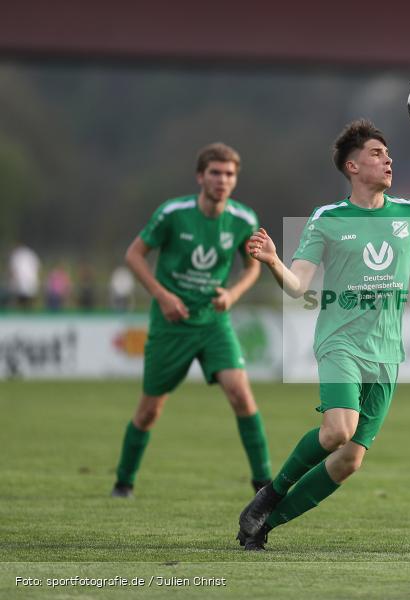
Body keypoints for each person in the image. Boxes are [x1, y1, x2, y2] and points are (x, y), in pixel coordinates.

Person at [235, 119, 410, 550]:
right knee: (337, 432)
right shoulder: (327, 219)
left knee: (349, 461)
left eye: (388, 154)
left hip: (386, 353)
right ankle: (270, 493)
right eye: (375, 153)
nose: (387, 160)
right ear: (351, 166)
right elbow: (298, 285)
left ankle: (266, 523)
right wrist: (274, 261)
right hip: (340, 343)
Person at [110, 143, 272, 498]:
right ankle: (124, 481)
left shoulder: (244, 220)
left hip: (213, 323)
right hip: (171, 324)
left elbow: (253, 267)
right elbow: (134, 255)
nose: (222, 180)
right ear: (201, 176)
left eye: (229, 174)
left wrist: (232, 294)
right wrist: (162, 295)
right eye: (215, 172)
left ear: (235, 179)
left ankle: (264, 484)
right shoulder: (173, 213)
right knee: (150, 411)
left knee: (241, 396)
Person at [8, 242, 40, 310]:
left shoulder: (16, 255)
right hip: (31, 284)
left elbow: (13, 270)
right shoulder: (31, 254)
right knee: (29, 305)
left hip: (21, 285)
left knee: (20, 305)